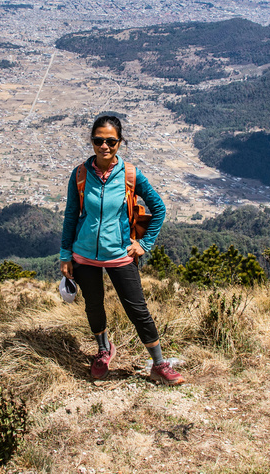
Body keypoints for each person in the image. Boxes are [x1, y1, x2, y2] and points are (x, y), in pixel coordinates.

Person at [59, 115, 184, 385]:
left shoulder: (130, 174)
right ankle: (103, 351)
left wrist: (144, 244)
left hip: (120, 254)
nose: (104, 146)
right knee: (94, 306)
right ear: (92, 141)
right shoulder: (80, 174)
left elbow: (159, 208)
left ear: (120, 142)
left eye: (111, 141)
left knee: (138, 309)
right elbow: (71, 215)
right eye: (98, 140)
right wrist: (65, 254)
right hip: (84, 254)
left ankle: (159, 364)